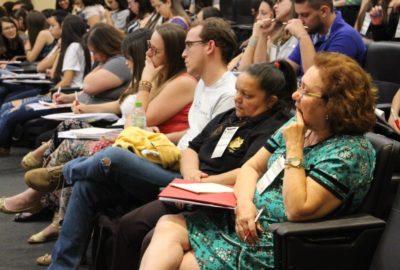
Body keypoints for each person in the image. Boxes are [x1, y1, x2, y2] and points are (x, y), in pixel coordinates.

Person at [140, 52, 377, 270]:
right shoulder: (300, 125)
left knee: (184, 264)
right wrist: (244, 204)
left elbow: (298, 209)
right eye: (299, 86)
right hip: (246, 219)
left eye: (305, 92)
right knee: (168, 224)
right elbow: (251, 167)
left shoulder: (350, 152)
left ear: (333, 105)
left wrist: (294, 148)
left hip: (279, 241)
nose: (295, 95)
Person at [44, 17, 237, 269]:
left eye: (189, 45)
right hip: (168, 158)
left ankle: (64, 172)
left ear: (209, 46)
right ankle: (61, 265)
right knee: (86, 186)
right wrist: (159, 137)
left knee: (115, 156)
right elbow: (192, 132)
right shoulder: (200, 83)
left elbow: (138, 121)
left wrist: (146, 79)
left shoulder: (213, 89)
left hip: (188, 175)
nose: (183, 53)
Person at [110, 60, 297, 270]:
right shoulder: (229, 116)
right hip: (191, 189)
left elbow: (250, 170)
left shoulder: (274, 126)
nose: (237, 99)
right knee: (128, 225)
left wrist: (197, 184)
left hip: (220, 200)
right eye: (237, 91)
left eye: (247, 95)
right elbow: (192, 147)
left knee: (147, 233)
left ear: (271, 101)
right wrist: (191, 174)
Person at [0, 15, 91, 157]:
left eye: (53, 26)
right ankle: (3, 146)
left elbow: (66, 81)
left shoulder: (73, 47)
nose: (50, 29)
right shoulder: (69, 46)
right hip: (61, 92)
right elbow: (54, 73)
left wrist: (45, 96)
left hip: (64, 95)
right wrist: (58, 48)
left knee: (10, 112)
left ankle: (2, 148)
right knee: (6, 107)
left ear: (65, 28)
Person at [285, 0, 366, 75]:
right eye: (298, 15)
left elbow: (316, 81)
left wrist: (303, 36)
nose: (300, 21)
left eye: (304, 15)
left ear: (324, 11)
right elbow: (288, 68)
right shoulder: (313, 32)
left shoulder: (346, 37)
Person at [238, 0, 298, 71]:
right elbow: (260, 70)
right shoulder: (277, 38)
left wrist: (255, 36)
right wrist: (263, 35)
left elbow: (248, 69)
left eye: (279, 1)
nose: (258, 18)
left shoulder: (300, 34)